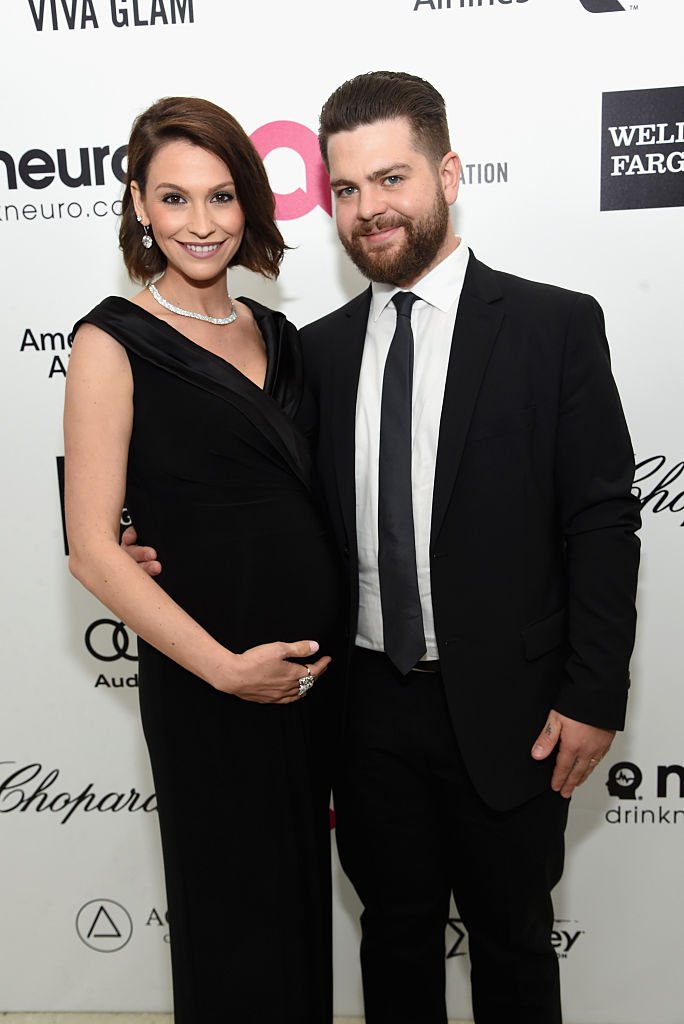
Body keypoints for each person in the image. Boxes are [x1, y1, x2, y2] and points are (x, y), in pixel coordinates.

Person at [126, 73, 641, 1023]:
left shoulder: (553, 327)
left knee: (514, 943)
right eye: (349, 189)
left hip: (514, 709)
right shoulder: (310, 353)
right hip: (363, 710)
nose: (371, 210)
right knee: (394, 942)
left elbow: (603, 519)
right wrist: (141, 539)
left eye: (392, 179)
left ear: (447, 172)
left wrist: (593, 693)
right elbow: (241, 493)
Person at [64, 96, 343, 1024]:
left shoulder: (284, 337)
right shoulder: (111, 340)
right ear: (139, 205)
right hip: (207, 685)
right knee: (233, 920)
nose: (201, 222)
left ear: (250, 203)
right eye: (174, 199)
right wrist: (227, 671)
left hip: (309, 685)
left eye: (221, 196)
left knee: (299, 908)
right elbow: (94, 551)